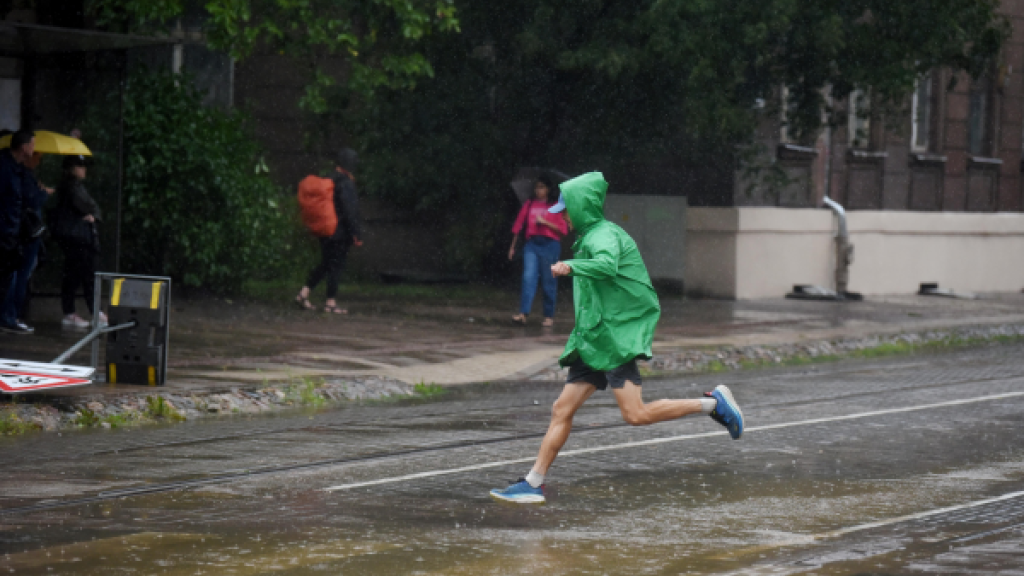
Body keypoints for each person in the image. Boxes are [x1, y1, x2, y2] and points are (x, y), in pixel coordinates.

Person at [489, 172, 745, 505]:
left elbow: (607, 266)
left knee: (635, 415)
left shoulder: (604, 235)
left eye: (566, 211)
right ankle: (532, 483)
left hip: (612, 340)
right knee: (561, 409)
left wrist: (572, 266)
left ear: (581, 208)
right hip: (593, 339)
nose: (562, 217)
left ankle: (713, 404)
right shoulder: (590, 236)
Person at [295, 148, 363, 314]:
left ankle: (303, 294)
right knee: (336, 266)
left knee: (326, 263)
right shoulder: (346, 182)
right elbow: (350, 210)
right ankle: (330, 303)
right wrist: (356, 233)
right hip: (339, 231)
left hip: (325, 229)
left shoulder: (328, 178)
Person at [1, 151, 53, 333]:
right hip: (20, 232)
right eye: (35, 156)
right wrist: (42, 193)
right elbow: (30, 199)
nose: (38, 160)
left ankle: (10, 315)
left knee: (17, 273)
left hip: (18, 231)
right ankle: (10, 315)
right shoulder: (18, 174)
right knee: (17, 273)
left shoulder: (19, 174)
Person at [53, 154, 106, 329]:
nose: (84, 169)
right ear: (71, 169)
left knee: (77, 274)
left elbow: (93, 208)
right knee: (82, 274)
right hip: (76, 238)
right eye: (79, 166)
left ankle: (79, 311)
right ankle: (87, 312)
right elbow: (89, 206)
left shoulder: (74, 187)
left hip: (77, 237)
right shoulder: (70, 187)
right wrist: (93, 213)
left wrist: (94, 214)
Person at [509, 174, 568, 327]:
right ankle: (523, 313)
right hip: (532, 244)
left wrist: (546, 222)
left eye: (541, 187)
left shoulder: (556, 206)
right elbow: (519, 225)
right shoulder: (529, 204)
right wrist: (513, 246)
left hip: (550, 245)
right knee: (528, 277)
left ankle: (549, 316)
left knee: (549, 280)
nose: (538, 190)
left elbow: (563, 230)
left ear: (548, 189)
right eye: (536, 187)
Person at [0, 129, 33, 333]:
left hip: (11, 231)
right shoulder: (6, 168)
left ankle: (7, 316)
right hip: (5, 231)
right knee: (7, 276)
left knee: (9, 275)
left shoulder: (18, 169)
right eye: (32, 144)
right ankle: (7, 316)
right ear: (23, 146)